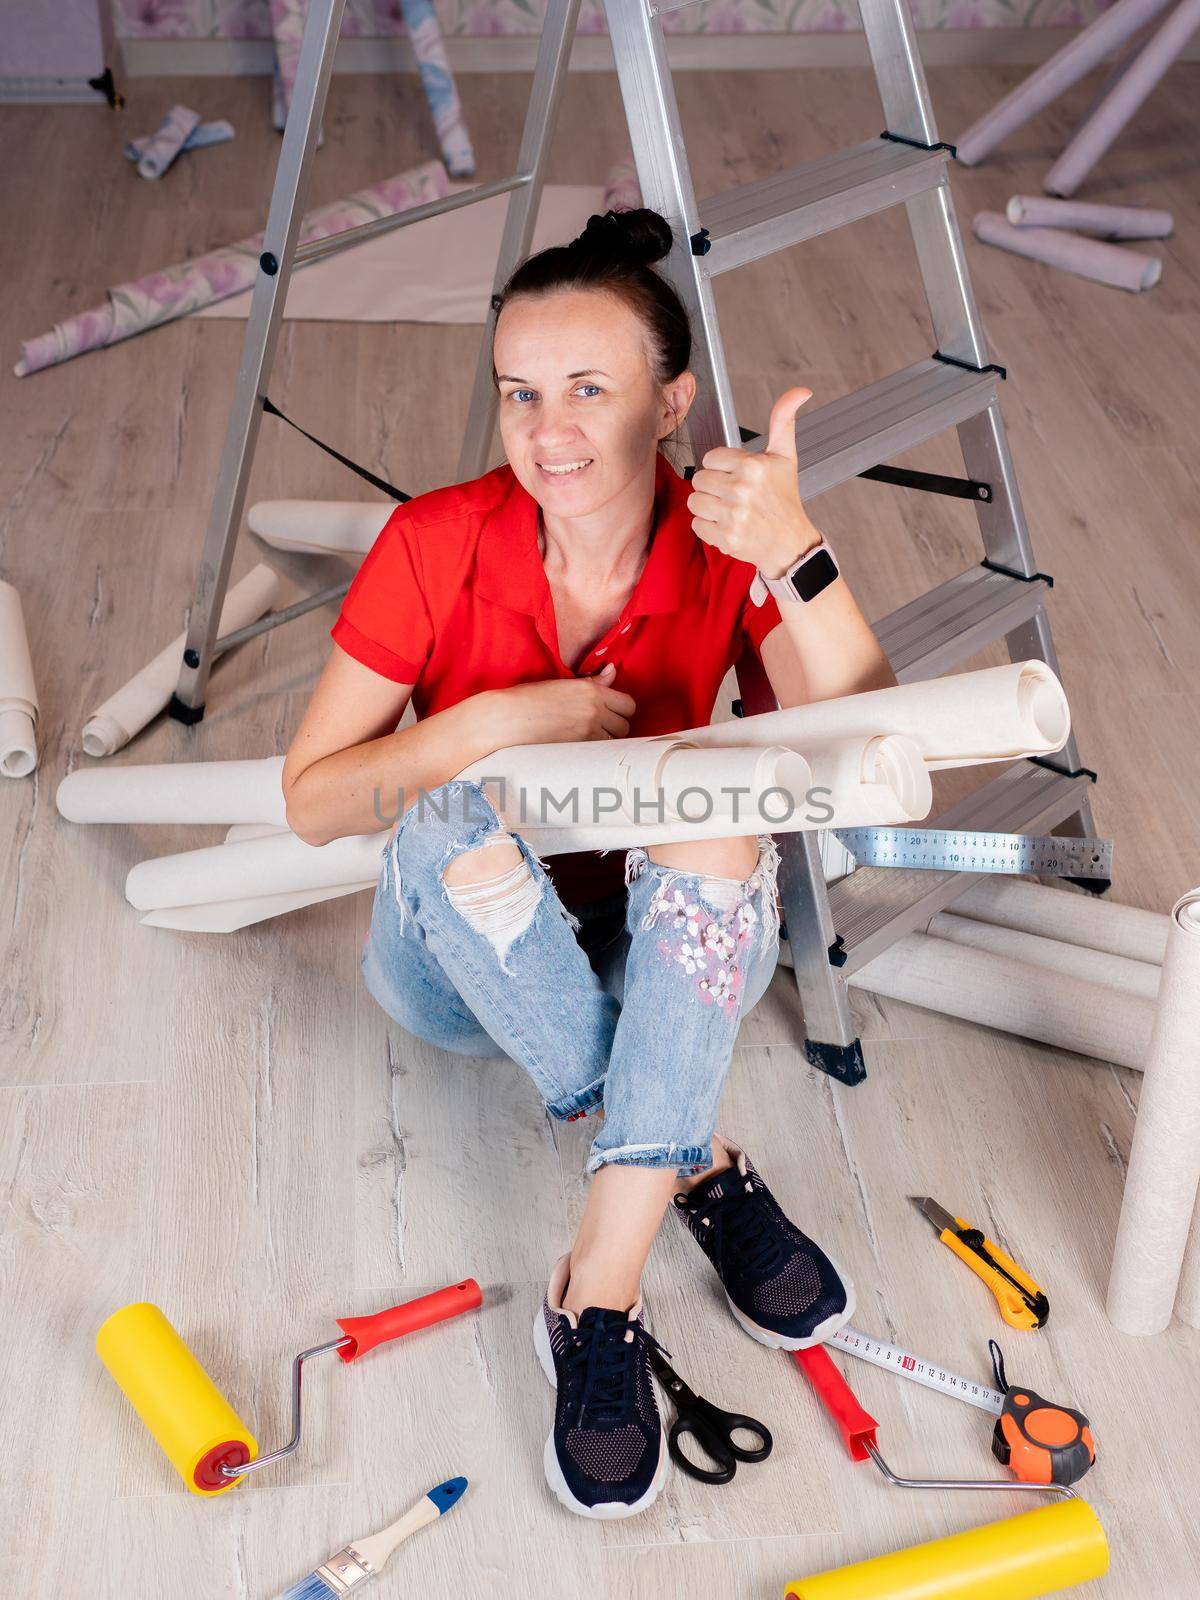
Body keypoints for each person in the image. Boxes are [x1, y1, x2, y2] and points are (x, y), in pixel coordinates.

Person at [282, 207, 897, 1520]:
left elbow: (871, 746)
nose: (545, 427)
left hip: (666, 953)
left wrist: (796, 551)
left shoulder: (724, 548)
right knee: (445, 812)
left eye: (586, 389)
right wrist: (490, 722)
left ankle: (597, 1289)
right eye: (518, 392)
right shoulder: (437, 541)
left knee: (730, 799)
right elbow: (314, 802)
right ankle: (692, 1159)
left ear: (670, 404)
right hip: (456, 971)